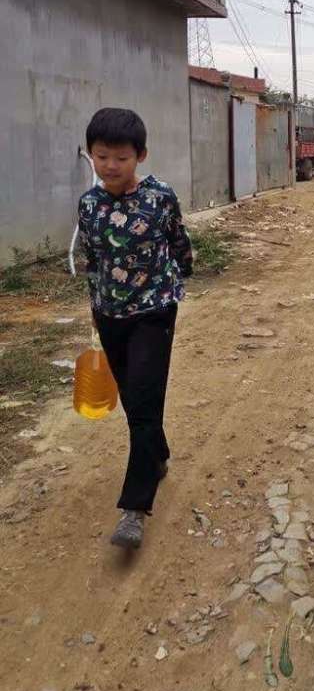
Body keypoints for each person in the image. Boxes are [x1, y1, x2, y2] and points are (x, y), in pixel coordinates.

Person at [77, 108, 193, 549]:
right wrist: (95, 308)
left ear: (140, 156)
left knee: (144, 400)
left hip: (154, 311)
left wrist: (176, 279)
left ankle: (134, 507)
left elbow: (178, 241)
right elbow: (93, 260)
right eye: (101, 156)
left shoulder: (160, 197)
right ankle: (157, 456)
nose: (110, 166)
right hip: (110, 314)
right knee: (132, 398)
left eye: (121, 158)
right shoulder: (89, 205)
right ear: (91, 154)